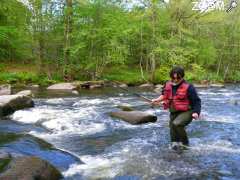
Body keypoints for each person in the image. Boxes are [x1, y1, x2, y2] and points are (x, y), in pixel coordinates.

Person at [151, 66, 201, 150]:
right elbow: (164, 95)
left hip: (187, 111)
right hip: (174, 111)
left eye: (178, 78)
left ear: (182, 76)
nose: (176, 80)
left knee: (177, 124)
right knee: (172, 128)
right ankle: (175, 147)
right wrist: (156, 100)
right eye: (173, 78)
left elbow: (197, 101)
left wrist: (196, 112)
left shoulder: (189, 87)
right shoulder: (167, 84)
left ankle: (185, 144)